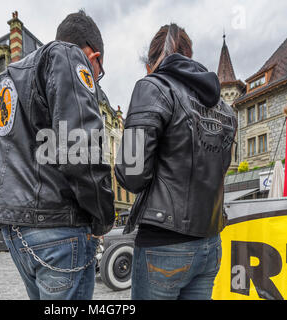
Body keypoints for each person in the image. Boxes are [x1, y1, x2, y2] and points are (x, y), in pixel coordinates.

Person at [0, 10, 115, 300]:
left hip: (18, 229)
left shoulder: (7, 80)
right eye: (98, 72)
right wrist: (103, 216)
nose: (95, 80)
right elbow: (80, 146)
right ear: (93, 56)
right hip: (58, 225)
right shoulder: (68, 56)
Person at [115, 23, 237, 300]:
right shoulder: (227, 111)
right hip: (210, 242)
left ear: (152, 62)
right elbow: (221, 171)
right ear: (189, 56)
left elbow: (132, 174)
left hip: (164, 243)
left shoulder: (152, 86)